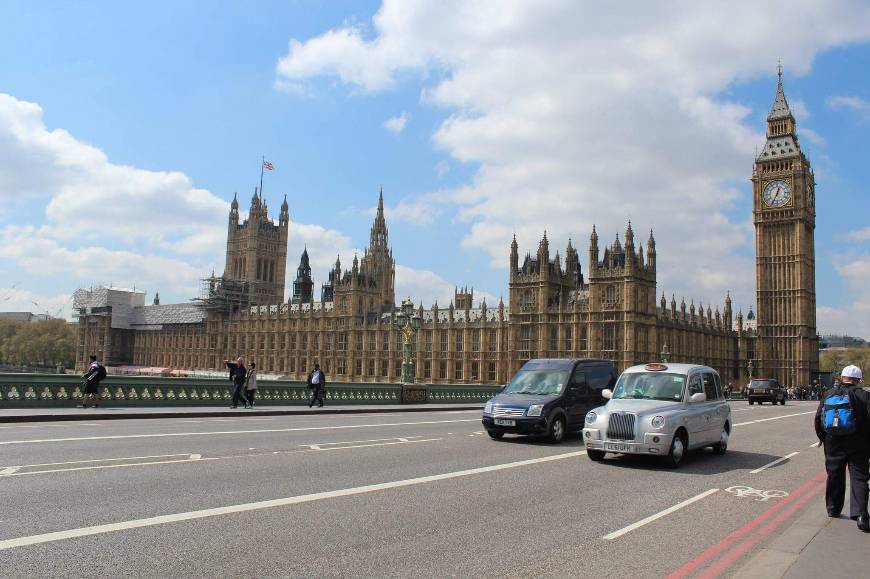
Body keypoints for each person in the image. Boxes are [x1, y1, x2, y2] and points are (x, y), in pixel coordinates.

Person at [815, 365, 870, 532]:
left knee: (834, 475)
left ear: (842, 378)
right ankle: (861, 515)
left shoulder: (829, 394)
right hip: (859, 443)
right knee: (859, 477)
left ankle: (833, 508)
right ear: (859, 380)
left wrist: (822, 438)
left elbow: (818, 419)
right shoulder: (865, 395)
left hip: (833, 442)